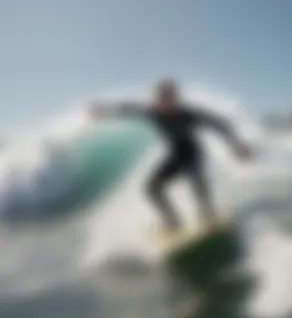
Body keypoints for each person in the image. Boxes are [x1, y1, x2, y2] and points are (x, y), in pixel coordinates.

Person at [90, 79, 252, 232]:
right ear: (157, 99)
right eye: (162, 98)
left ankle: (208, 217)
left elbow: (219, 123)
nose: (166, 103)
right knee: (151, 189)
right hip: (175, 154)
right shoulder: (152, 112)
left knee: (197, 183)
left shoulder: (189, 114)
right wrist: (105, 110)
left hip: (193, 152)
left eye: (170, 98)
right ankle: (173, 221)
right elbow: (127, 109)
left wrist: (237, 145)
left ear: (176, 98)